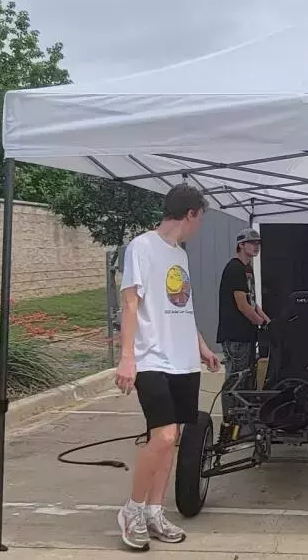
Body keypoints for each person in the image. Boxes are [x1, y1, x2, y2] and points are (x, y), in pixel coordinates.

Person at [114, 184, 221, 550]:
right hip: (152, 357)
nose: (198, 226)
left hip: (183, 360)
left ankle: (155, 511)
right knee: (162, 436)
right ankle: (132, 509)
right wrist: (127, 356)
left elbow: (182, 307)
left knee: (172, 441)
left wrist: (202, 345)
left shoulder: (181, 255)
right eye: (199, 219)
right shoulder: (141, 247)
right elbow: (130, 304)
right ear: (190, 213)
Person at [216, 228, 270, 443]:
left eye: (258, 243)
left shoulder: (248, 269)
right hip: (235, 334)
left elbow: (253, 303)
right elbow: (242, 305)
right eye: (251, 243)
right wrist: (260, 324)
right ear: (241, 245)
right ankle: (229, 425)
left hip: (247, 335)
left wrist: (268, 322)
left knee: (246, 378)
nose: (256, 246)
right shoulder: (235, 269)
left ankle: (242, 424)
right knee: (235, 380)